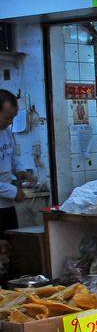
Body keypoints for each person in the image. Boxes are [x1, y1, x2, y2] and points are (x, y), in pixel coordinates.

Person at [0, 90, 30, 234]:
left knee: (13, 249)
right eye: (7, 117)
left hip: (7, 205)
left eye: (13, 117)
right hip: (5, 197)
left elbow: (11, 156)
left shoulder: (5, 131)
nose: (11, 122)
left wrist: (20, 171)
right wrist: (14, 191)